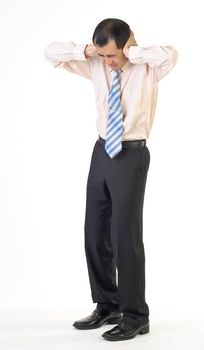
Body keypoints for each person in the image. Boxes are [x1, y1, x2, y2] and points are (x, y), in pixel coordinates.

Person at [44, 18, 178, 341]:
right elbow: (52, 53)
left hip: (131, 153)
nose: (109, 62)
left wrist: (133, 53)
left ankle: (135, 315)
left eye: (113, 55)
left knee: (124, 236)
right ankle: (108, 304)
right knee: (94, 230)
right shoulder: (97, 64)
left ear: (128, 44)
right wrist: (90, 50)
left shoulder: (148, 68)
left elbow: (171, 55)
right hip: (102, 151)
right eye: (103, 56)